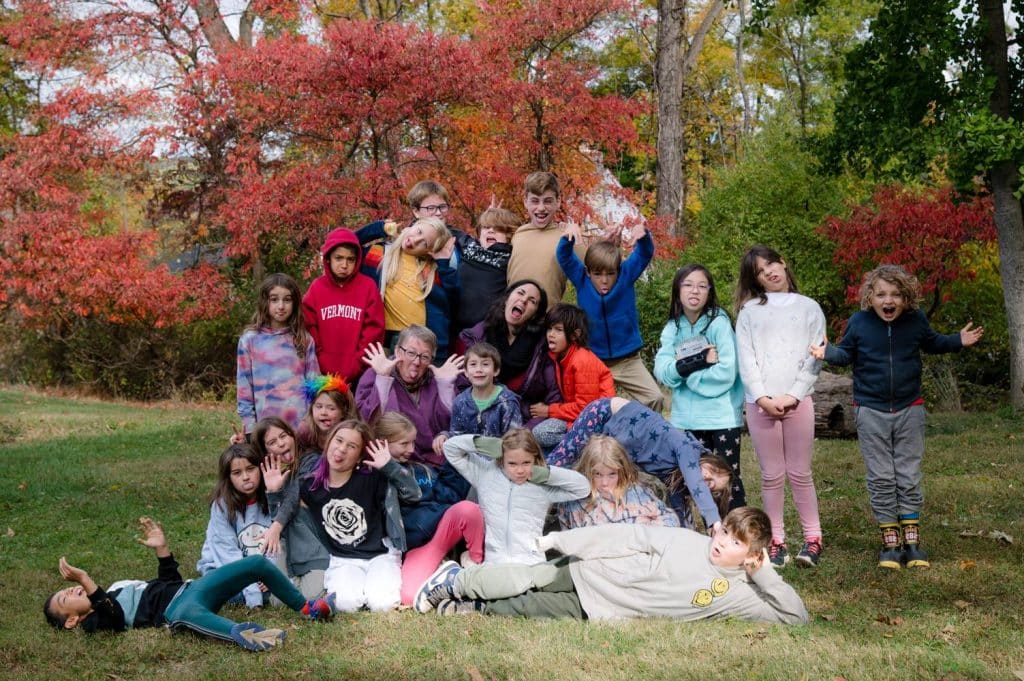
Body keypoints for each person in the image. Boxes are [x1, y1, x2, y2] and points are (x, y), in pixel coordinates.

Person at [809, 264, 984, 569]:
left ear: (905, 298)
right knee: (881, 476)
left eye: (895, 295)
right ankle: (890, 541)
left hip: (909, 408)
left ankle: (912, 541)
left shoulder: (915, 321)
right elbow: (846, 355)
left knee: (908, 473)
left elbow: (933, 342)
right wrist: (828, 352)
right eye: (881, 295)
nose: (888, 301)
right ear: (870, 297)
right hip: (870, 409)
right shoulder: (859, 322)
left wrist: (958, 340)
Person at [414, 507, 809, 624]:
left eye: (736, 543)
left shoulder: (738, 596)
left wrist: (764, 573)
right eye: (724, 532)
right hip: (590, 569)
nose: (721, 543)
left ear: (752, 555)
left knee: (527, 607)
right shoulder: (689, 541)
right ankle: (457, 581)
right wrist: (563, 542)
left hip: (601, 607)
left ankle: (464, 607)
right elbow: (626, 537)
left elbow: (796, 619)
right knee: (527, 577)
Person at [43, 517, 335, 652]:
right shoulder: (96, 623)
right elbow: (113, 615)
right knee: (188, 615)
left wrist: (163, 550)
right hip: (179, 610)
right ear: (71, 621)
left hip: (192, 588)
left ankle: (306, 608)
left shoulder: (119, 585)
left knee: (256, 565)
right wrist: (84, 580)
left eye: (67, 588)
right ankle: (244, 635)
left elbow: (169, 582)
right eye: (64, 598)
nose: (69, 590)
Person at [735, 245, 826, 568]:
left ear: (784, 263)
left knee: (800, 473)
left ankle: (813, 538)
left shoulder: (809, 307)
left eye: (772, 263)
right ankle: (776, 541)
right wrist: (762, 397)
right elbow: (746, 359)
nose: (770, 271)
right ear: (756, 280)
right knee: (772, 475)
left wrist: (794, 395)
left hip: (797, 402)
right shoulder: (749, 312)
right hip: (760, 405)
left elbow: (816, 355)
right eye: (761, 270)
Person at [297, 420, 421, 612]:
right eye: (338, 441)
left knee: (383, 605)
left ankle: (373, 589)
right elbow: (285, 509)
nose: (342, 449)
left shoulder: (372, 478)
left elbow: (414, 494)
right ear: (329, 442)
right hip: (342, 558)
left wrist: (389, 467)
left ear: (358, 456)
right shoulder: (309, 485)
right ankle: (360, 590)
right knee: (345, 604)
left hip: (380, 554)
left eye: (351, 446)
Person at [546, 397, 721, 532]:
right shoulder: (686, 447)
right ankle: (526, 484)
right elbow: (695, 481)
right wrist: (713, 519)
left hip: (612, 442)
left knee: (581, 471)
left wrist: (688, 535)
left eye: (711, 486)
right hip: (604, 414)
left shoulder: (672, 474)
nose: (706, 478)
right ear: (708, 458)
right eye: (712, 472)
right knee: (558, 462)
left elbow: (679, 507)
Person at [654, 264, 746, 509]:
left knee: (727, 481)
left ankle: (738, 537)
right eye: (688, 284)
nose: (694, 291)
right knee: (687, 481)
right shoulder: (672, 328)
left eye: (701, 286)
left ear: (709, 292)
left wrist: (686, 374)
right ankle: (697, 536)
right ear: (677, 290)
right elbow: (662, 372)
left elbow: (727, 371)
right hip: (685, 421)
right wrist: (695, 364)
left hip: (721, 418)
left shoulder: (719, 324)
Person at [373, 412, 484, 607]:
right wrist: (388, 468)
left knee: (468, 509)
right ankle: (446, 573)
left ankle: (475, 565)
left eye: (413, 443)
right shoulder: (373, 475)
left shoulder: (421, 469)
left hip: (441, 529)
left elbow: (438, 495)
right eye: (404, 444)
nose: (411, 449)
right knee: (407, 597)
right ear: (383, 443)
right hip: (417, 546)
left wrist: (450, 448)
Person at [440, 430, 590, 569]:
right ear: (501, 457)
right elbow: (450, 448)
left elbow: (583, 487)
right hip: (495, 564)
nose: (519, 470)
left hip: (532, 565)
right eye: (512, 463)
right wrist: (489, 444)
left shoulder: (543, 485)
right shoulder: (484, 473)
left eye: (526, 463)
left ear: (535, 459)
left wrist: (544, 474)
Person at [557, 222, 663, 411]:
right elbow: (564, 257)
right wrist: (568, 237)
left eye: (610, 274)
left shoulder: (626, 276)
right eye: (597, 274)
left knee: (654, 398)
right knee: (590, 409)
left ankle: (643, 434)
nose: (604, 280)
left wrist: (644, 236)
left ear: (618, 271)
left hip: (628, 360)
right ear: (588, 272)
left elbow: (644, 253)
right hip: (594, 360)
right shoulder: (581, 281)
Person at [355, 325, 464, 467]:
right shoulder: (376, 373)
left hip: (435, 462)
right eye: (411, 353)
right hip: (388, 461)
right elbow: (365, 422)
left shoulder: (437, 379)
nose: (417, 362)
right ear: (397, 351)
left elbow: (455, 425)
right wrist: (383, 379)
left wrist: (445, 385)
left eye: (424, 357)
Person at [457, 280, 561, 427]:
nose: (523, 300)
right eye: (520, 293)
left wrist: (526, 432)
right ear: (507, 298)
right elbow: (460, 386)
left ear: (535, 315)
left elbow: (553, 399)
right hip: (477, 419)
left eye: (532, 301)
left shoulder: (542, 348)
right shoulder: (477, 337)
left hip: (520, 424)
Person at [358, 216, 459, 361]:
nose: (415, 240)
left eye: (424, 243)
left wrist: (443, 264)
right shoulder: (378, 254)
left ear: (429, 251)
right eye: (418, 231)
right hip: (385, 339)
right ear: (412, 226)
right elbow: (344, 244)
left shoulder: (431, 270)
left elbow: (453, 300)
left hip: (421, 341)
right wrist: (379, 228)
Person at [237, 273, 320, 436]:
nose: (281, 306)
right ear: (264, 302)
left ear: (295, 303)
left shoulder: (304, 339)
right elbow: (244, 390)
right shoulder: (249, 340)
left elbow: (314, 386)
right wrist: (250, 428)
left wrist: (310, 422)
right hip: (265, 428)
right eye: (274, 299)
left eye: (287, 300)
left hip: (300, 427)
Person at [255, 419, 330, 599]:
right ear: (265, 451)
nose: (281, 443)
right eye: (272, 442)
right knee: (278, 601)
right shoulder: (273, 473)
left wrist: (276, 525)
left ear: (292, 435)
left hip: (315, 547)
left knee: (311, 597)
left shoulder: (311, 461)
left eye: (283, 436)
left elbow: (296, 492)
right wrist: (273, 492)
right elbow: (279, 514)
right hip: (290, 549)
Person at [196, 444, 276, 609]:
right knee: (214, 588)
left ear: (260, 469)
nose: (246, 477)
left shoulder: (273, 497)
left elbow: (280, 541)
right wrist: (253, 595)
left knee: (292, 580)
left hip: (264, 570)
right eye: (237, 473)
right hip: (226, 568)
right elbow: (227, 554)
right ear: (228, 477)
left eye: (251, 469)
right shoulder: (221, 506)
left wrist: (272, 574)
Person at [302, 228, 384, 385]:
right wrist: (321, 360)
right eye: (338, 258)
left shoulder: (368, 287)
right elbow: (308, 328)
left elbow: (374, 330)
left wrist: (357, 364)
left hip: (359, 374)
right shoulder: (317, 288)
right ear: (328, 259)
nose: (344, 265)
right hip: (322, 374)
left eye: (350, 259)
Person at [530, 303, 615, 450]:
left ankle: (591, 446)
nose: (551, 334)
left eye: (558, 330)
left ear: (575, 335)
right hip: (578, 417)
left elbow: (586, 408)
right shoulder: (561, 357)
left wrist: (549, 410)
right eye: (549, 328)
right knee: (538, 436)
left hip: (597, 420)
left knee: (541, 434)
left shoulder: (582, 360)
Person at [556, 435, 679, 529]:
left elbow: (670, 520)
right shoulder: (575, 501)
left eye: (612, 474)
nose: (604, 483)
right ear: (586, 471)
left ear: (622, 471)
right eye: (597, 474)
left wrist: (643, 533)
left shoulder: (636, 491)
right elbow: (571, 541)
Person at [507, 171, 586, 304]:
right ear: (525, 202)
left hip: (547, 320)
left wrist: (612, 242)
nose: (541, 208)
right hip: (513, 316)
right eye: (535, 201)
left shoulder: (566, 237)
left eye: (548, 201)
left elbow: (595, 268)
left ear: (558, 201)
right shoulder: (518, 234)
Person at [434, 342, 522, 455]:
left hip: (499, 460)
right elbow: (457, 436)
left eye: (485, 364)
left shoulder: (507, 402)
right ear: (465, 372)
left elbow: (515, 441)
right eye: (473, 364)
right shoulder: (460, 402)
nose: (479, 369)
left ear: (496, 370)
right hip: (468, 462)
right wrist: (445, 435)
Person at [454, 204, 517, 333]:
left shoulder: (509, 258)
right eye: (486, 227)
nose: (490, 231)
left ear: (510, 235)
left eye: (498, 229)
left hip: (484, 330)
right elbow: (446, 230)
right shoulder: (470, 246)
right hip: (454, 323)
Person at [296, 374, 357, 452]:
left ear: (343, 412)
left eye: (331, 408)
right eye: (319, 406)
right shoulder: (305, 430)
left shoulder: (348, 433)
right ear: (312, 409)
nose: (323, 412)